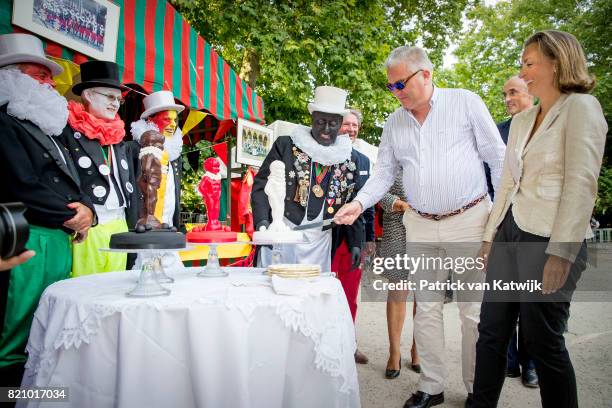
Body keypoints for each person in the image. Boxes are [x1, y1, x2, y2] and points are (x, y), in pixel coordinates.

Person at [334, 45, 505, 408]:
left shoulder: (466, 102)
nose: (396, 93)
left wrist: (500, 216)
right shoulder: (395, 122)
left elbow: (498, 159)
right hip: (421, 227)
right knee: (426, 309)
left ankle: (478, 390)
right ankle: (431, 385)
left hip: (470, 222)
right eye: (390, 87)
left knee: (471, 312)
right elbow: (383, 172)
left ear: (425, 75)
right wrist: (358, 203)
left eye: (401, 84)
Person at [472, 30, 607, 408]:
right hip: (509, 233)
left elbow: (581, 184)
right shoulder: (521, 120)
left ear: (558, 61)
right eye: (522, 63)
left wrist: (562, 253)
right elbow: (508, 183)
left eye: (529, 63)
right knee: (491, 332)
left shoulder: (582, 107)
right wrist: (489, 237)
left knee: (543, 341)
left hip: (550, 240)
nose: (523, 71)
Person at [0, 33, 95, 386]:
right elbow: (20, 182)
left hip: (58, 235)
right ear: (11, 76)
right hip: (23, 234)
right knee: (16, 329)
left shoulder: (51, 129)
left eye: (48, 77)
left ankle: (39, 392)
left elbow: (80, 179)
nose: (50, 84)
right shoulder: (4, 121)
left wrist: (89, 212)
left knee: (48, 323)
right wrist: (73, 215)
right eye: (40, 76)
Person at [252, 86, 370, 274]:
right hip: (282, 232)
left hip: (321, 240)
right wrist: (263, 224)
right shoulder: (286, 145)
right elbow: (261, 186)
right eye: (320, 122)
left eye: (332, 124)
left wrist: (355, 242)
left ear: (340, 124)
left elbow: (353, 202)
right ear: (311, 119)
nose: (325, 129)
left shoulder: (351, 158)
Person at [61, 60, 137, 277]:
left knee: (115, 286)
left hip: (119, 222)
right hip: (90, 223)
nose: (115, 104)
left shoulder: (118, 136)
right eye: (110, 97)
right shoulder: (68, 130)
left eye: (118, 100)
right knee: (85, 288)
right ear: (88, 95)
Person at [496, 76, 539, 388]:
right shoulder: (498, 133)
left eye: (514, 92)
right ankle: (509, 361)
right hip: (502, 223)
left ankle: (531, 364)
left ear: (530, 93)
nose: (508, 98)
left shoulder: (545, 124)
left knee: (533, 299)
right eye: (505, 94)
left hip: (535, 226)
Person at [330, 108, 375, 364]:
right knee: (324, 292)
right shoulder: (321, 156)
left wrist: (369, 238)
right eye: (346, 124)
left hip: (354, 240)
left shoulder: (364, 161)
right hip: (326, 239)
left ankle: (349, 343)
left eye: (354, 125)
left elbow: (367, 205)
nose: (351, 129)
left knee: (349, 294)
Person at [379, 169, 419, 379]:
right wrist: (400, 204)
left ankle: (417, 350)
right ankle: (394, 353)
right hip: (397, 227)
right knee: (398, 291)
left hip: (429, 228)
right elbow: (379, 192)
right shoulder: (393, 157)